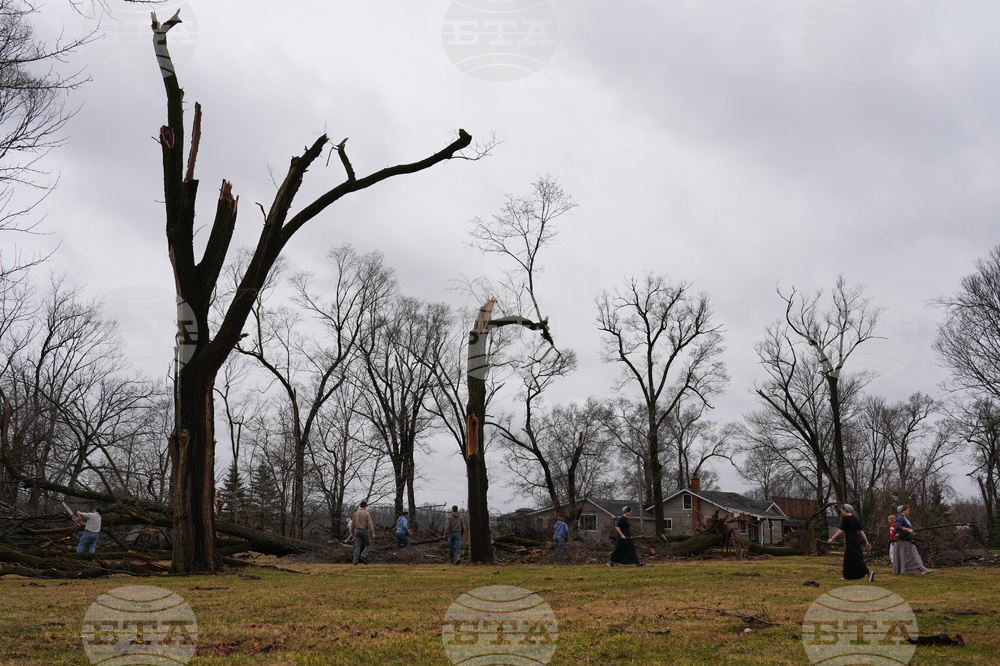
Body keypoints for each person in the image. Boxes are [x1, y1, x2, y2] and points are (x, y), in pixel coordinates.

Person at [827, 504, 874, 581]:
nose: (842, 512)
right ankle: (848, 576)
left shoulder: (845, 519)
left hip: (851, 541)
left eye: (842, 510)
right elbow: (861, 531)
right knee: (848, 559)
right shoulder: (856, 519)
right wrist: (866, 542)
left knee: (855, 559)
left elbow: (841, 530)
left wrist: (832, 538)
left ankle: (868, 572)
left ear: (845, 510)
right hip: (856, 540)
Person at [893, 505, 933, 575]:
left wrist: (911, 532)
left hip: (907, 539)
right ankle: (922, 569)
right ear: (903, 511)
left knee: (910, 555)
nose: (909, 512)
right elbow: (898, 527)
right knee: (913, 554)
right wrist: (908, 529)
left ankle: (917, 569)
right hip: (903, 540)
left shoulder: (904, 518)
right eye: (907, 510)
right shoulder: (899, 518)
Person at [351, 501, 374, 565]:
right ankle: (363, 556)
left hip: (357, 530)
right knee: (368, 544)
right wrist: (372, 532)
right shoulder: (366, 513)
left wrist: (352, 532)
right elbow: (370, 523)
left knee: (357, 546)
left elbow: (353, 524)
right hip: (364, 530)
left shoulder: (356, 513)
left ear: (360, 506)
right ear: (365, 506)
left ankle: (355, 561)